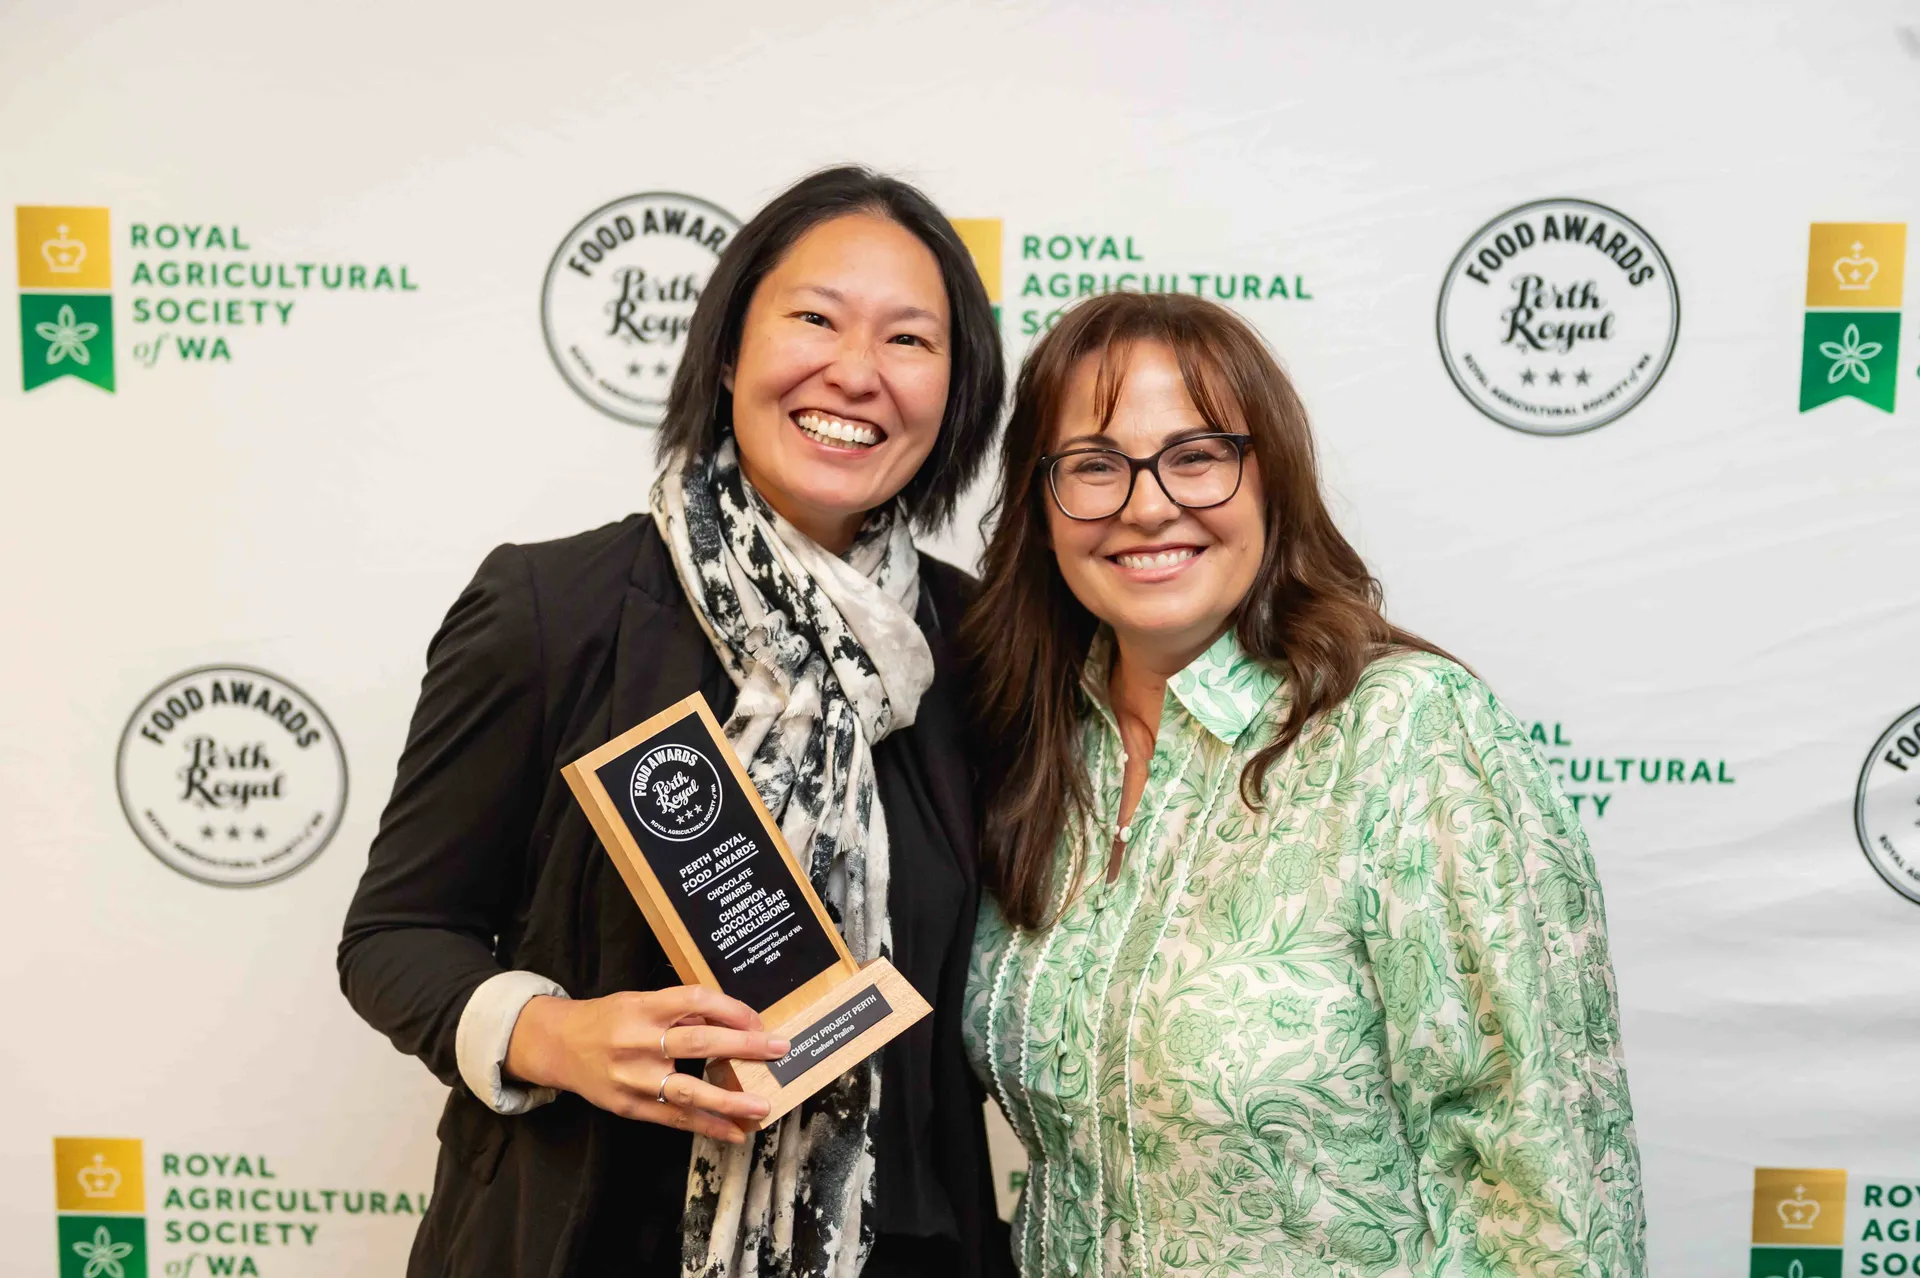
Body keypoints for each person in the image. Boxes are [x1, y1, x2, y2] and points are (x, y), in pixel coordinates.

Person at [339, 166, 1012, 1278]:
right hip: (586, 1237)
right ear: (728, 347)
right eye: (813, 318)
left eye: (910, 340)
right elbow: (394, 937)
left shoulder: (980, 647)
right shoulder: (554, 612)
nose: (857, 370)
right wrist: (550, 1035)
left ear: (958, 389)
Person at [959, 292, 1644, 1277]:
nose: (1147, 504)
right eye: (1095, 467)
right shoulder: (1035, 753)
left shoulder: (1407, 732)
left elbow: (1542, 1182)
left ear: (1270, 479)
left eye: (1197, 457)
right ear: (1041, 505)